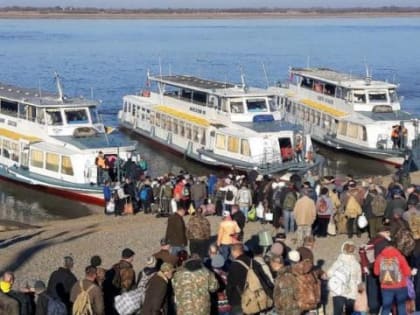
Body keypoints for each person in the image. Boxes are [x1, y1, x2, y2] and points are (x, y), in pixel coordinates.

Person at [374, 245, 411, 315]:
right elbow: (407, 272)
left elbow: (376, 273)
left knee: (386, 308)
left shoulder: (379, 258)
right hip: (400, 286)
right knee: (401, 306)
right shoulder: (400, 257)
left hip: (385, 287)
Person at [327, 241, 361, 315]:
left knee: (337, 312)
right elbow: (359, 280)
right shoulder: (356, 264)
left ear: (343, 249)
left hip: (338, 290)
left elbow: (329, 273)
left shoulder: (338, 262)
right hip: (351, 291)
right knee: (350, 312)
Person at [103, 248, 136, 315]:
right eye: (132, 257)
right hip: (120, 299)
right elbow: (126, 287)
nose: (133, 259)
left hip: (111, 297)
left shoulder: (115, 266)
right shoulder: (129, 270)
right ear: (130, 257)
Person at [226, 243, 251, 315]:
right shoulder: (251, 261)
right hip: (252, 298)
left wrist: (229, 299)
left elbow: (230, 285)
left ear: (234, 251)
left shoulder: (234, 265)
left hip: (238, 300)